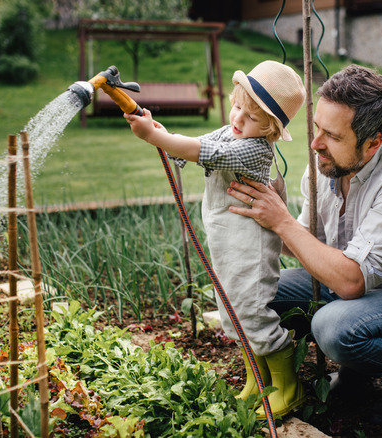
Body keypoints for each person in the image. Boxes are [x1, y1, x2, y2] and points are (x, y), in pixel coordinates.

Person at [226, 64, 382, 428]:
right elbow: (307, 243)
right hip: (347, 289)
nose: (315, 142)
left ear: (373, 143)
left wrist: (282, 222)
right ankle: (324, 378)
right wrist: (272, 215)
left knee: (333, 328)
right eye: (316, 127)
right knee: (251, 293)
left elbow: (351, 280)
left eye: (331, 135)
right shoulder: (325, 166)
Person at [124, 60, 307, 418]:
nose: (238, 119)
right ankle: (259, 382)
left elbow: (209, 154)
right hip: (226, 241)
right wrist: (162, 133)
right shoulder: (233, 131)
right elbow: (196, 144)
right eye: (237, 106)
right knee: (232, 308)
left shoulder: (255, 149)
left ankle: (289, 387)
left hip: (250, 246)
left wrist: (154, 137)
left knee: (252, 310)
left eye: (252, 118)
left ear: (270, 129)